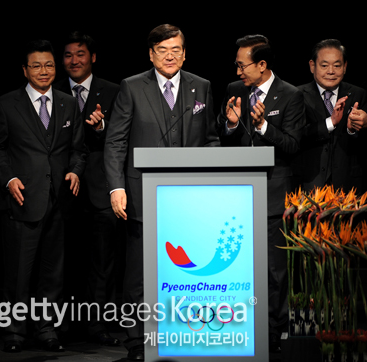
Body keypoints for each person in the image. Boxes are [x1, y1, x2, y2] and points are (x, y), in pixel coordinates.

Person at [104, 24, 219, 361]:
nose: (170, 56)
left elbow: (210, 138)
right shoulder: (131, 87)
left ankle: (181, 335)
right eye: (162, 50)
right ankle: (136, 341)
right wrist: (116, 187)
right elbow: (115, 142)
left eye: (176, 50)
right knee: (139, 275)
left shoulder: (202, 87)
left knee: (185, 272)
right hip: (142, 197)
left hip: (188, 199)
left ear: (185, 53)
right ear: (151, 54)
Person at [0, 39, 86, 354]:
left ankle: (49, 330)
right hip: (23, 200)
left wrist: (74, 170)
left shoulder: (68, 102)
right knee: (18, 273)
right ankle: (15, 333)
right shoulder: (6, 104)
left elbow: (78, 149)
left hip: (59, 201)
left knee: (53, 274)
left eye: (48, 65)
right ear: (24, 70)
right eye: (36, 65)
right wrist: (9, 178)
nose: (43, 71)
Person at [217, 34, 305, 353]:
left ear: (262, 65)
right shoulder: (234, 90)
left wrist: (266, 129)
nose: (238, 70)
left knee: (272, 268)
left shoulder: (291, 95)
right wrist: (228, 124)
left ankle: (273, 328)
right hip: (238, 194)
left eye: (243, 65)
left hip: (273, 195)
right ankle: (241, 324)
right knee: (239, 265)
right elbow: (221, 135)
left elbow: (294, 145)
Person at [54, 31, 122, 346]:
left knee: (103, 263)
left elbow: (122, 139)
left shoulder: (114, 90)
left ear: (92, 57)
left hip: (100, 188)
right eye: (68, 55)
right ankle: (63, 324)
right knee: (64, 261)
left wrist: (101, 127)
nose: (74, 60)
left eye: (80, 54)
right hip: (62, 188)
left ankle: (99, 325)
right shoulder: (50, 90)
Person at [293, 39, 366, 194]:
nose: (331, 71)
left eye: (337, 65)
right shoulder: (296, 95)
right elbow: (296, 136)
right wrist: (330, 122)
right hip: (309, 184)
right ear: (312, 66)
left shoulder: (358, 94)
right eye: (324, 65)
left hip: (349, 186)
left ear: (345, 67)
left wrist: (357, 127)